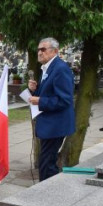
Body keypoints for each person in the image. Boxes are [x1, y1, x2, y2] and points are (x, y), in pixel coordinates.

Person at [28, 37, 75, 181]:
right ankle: (48, 193)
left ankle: (48, 195)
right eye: (38, 49)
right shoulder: (47, 68)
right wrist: (34, 91)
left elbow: (64, 99)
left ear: (55, 51)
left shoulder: (60, 69)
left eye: (43, 49)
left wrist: (40, 100)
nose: (40, 52)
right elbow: (49, 94)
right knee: (46, 162)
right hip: (50, 124)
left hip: (56, 125)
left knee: (47, 163)